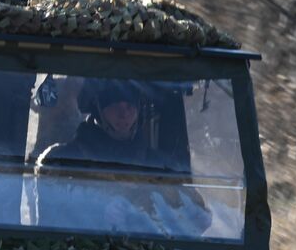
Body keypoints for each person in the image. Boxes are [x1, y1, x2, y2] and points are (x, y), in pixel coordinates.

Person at [36, 80, 211, 236]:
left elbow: (183, 212)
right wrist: (98, 210)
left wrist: (198, 214)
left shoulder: (160, 163)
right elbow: (50, 218)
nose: (124, 114)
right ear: (98, 109)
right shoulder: (61, 159)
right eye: (114, 106)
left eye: (129, 106)